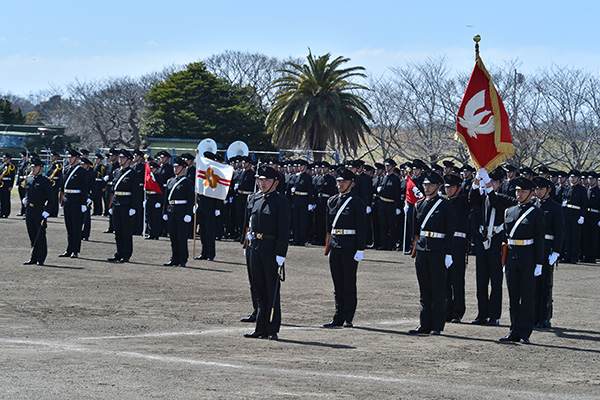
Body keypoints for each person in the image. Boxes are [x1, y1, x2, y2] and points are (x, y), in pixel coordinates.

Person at [243, 166, 291, 340]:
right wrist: (246, 244)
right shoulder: (254, 199)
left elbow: (284, 229)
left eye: (266, 180)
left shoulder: (281, 201)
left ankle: (272, 328)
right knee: (258, 289)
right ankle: (260, 328)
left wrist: (281, 253)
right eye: (260, 180)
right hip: (254, 247)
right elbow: (250, 223)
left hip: (271, 249)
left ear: (275, 182)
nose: (262, 183)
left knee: (271, 289)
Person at [408, 171, 456, 335]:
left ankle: (437, 325)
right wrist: (414, 249)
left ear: (438, 187)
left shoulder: (445, 205)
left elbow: (450, 231)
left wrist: (449, 253)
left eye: (431, 185)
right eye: (425, 185)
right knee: (424, 288)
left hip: (438, 249)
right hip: (422, 249)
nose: (427, 188)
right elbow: (416, 231)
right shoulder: (419, 205)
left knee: (438, 289)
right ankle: (424, 324)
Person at [500, 177, 545, 344]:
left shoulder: (536, 213)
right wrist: (504, 261)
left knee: (526, 297)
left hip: (529, 257)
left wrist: (539, 264)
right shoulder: (509, 212)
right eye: (517, 191)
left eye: (523, 192)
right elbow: (506, 238)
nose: (519, 194)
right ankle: (514, 330)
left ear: (531, 194)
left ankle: (525, 332)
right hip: (512, 256)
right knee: (513, 296)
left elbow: (540, 240)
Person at [469, 167, 515, 326]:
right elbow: (472, 197)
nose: (490, 184)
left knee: (496, 280)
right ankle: (482, 313)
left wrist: (487, 185)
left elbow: (495, 202)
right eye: (488, 181)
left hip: (496, 240)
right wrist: (477, 179)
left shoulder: (503, 198)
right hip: (482, 240)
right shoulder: (481, 197)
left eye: (494, 182)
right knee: (481, 280)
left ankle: (494, 315)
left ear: (500, 184)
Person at [322, 167, 367, 328]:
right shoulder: (332, 201)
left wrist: (360, 249)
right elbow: (328, 227)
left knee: (348, 282)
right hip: (335, 245)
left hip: (350, 246)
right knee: (337, 283)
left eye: (344, 182)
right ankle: (337, 316)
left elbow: (361, 227)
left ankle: (348, 316)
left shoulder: (356, 202)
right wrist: (328, 246)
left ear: (352, 184)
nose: (340, 184)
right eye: (339, 181)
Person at [532, 176, 564, 328]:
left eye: (541, 189)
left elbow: (560, 231)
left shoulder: (555, 207)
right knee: (532, 284)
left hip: (547, 248)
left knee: (545, 284)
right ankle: (533, 315)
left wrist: (556, 252)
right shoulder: (532, 205)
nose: (538, 192)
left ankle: (545, 316)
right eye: (536, 189)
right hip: (532, 248)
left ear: (548, 190)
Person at [444, 174, 471, 323]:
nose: (448, 190)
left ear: (458, 188)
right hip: (445, 243)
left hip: (459, 244)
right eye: (446, 187)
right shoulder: (443, 202)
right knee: (445, 279)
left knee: (457, 279)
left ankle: (458, 311)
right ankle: (447, 309)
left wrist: (477, 182)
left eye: (451, 187)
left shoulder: (463, 201)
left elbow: (474, 198)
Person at [107, 150, 140, 263]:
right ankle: (119, 252)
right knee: (117, 230)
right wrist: (110, 205)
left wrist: (133, 207)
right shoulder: (116, 172)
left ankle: (126, 254)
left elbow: (135, 192)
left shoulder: (133, 174)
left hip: (126, 204)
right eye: (120, 158)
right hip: (116, 203)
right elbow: (113, 191)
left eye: (123, 158)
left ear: (129, 160)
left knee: (126, 230)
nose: (120, 160)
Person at [22, 157, 56, 265]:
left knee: (40, 235)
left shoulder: (45, 181)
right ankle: (33, 257)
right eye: (32, 166)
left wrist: (47, 211)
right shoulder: (29, 179)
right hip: (29, 210)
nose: (33, 168)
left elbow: (51, 199)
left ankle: (41, 258)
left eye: (35, 166)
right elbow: (28, 192)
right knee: (32, 234)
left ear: (41, 168)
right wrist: (25, 199)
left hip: (39, 210)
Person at [162, 157, 194, 267]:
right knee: (173, 237)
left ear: (184, 168)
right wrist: (164, 213)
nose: (175, 169)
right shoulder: (170, 181)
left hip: (182, 211)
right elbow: (166, 199)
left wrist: (189, 213)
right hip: (172, 211)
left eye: (178, 167)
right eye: (174, 167)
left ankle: (182, 259)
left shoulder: (188, 182)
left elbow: (191, 200)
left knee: (182, 237)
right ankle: (174, 258)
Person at [59, 149, 89, 258]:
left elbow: (84, 189)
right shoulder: (65, 170)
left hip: (77, 201)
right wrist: (61, 201)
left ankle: (75, 250)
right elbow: (62, 188)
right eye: (68, 157)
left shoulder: (82, 172)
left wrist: (83, 203)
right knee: (69, 226)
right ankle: (69, 249)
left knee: (76, 226)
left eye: (71, 157)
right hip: (67, 200)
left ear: (77, 158)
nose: (69, 159)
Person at [561, 170, 587, 264]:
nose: (573, 179)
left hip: (576, 214)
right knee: (567, 236)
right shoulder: (567, 188)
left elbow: (584, 204)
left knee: (575, 237)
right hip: (567, 213)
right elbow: (564, 199)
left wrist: (582, 216)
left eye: (575, 177)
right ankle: (567, 256)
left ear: (578, 178)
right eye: (571, 177)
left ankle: (574, 257)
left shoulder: (582, 189)